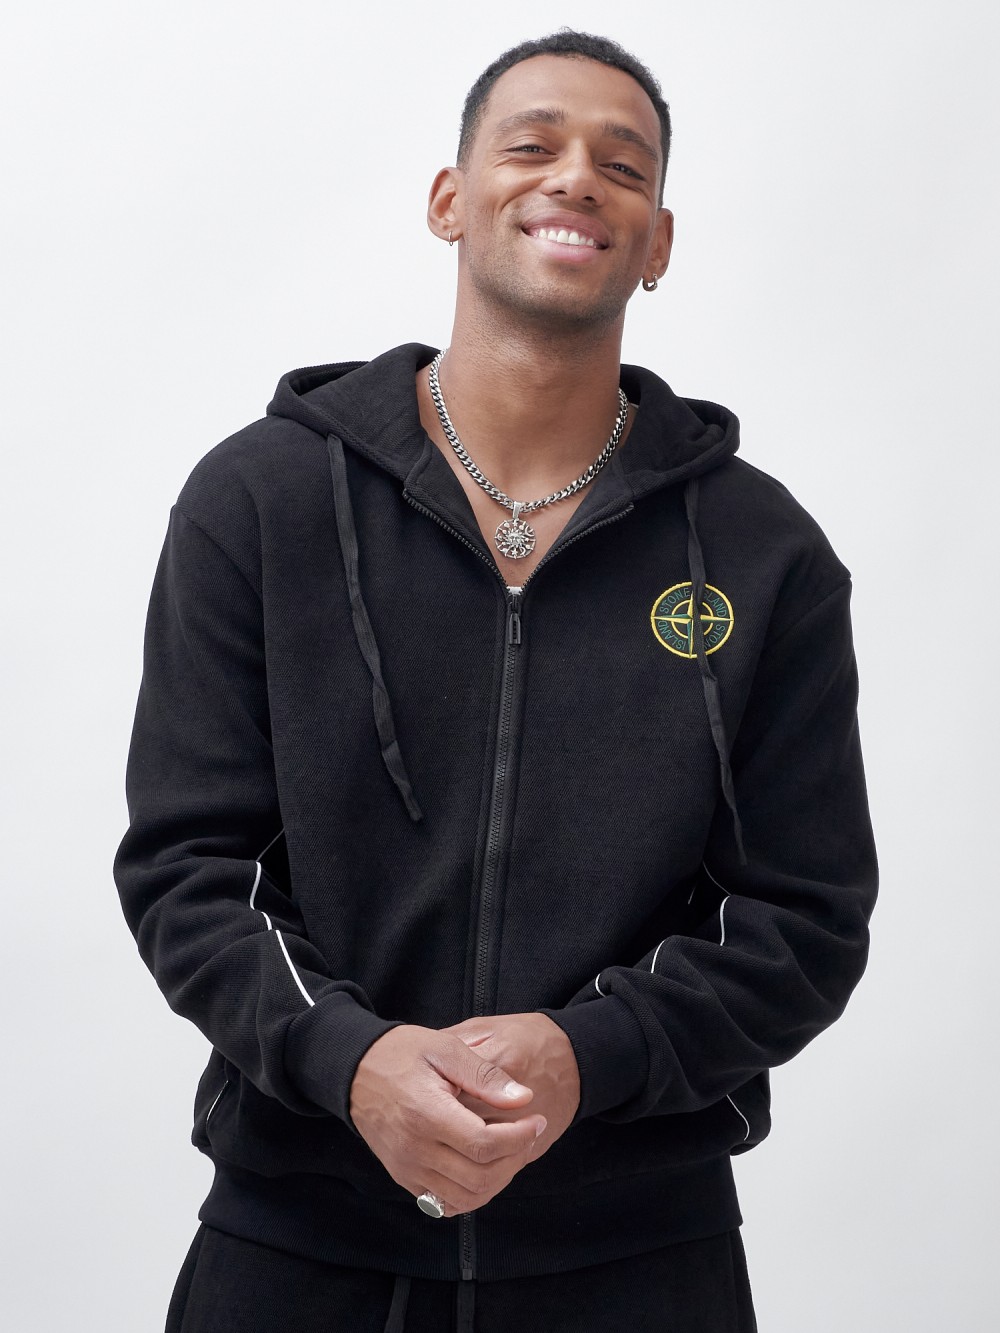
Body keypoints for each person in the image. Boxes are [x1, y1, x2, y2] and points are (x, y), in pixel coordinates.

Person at [115, 30, 877, 1333]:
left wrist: (585, 1057)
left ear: (657, 242)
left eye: (622, 166)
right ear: (451, 200)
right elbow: (190, 867)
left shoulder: (763, 556)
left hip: (640, 1265)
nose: (575, 177)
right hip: (298, 1249)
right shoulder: (262, 502)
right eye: (531, 146)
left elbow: (802, 918)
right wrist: (351, 1061)